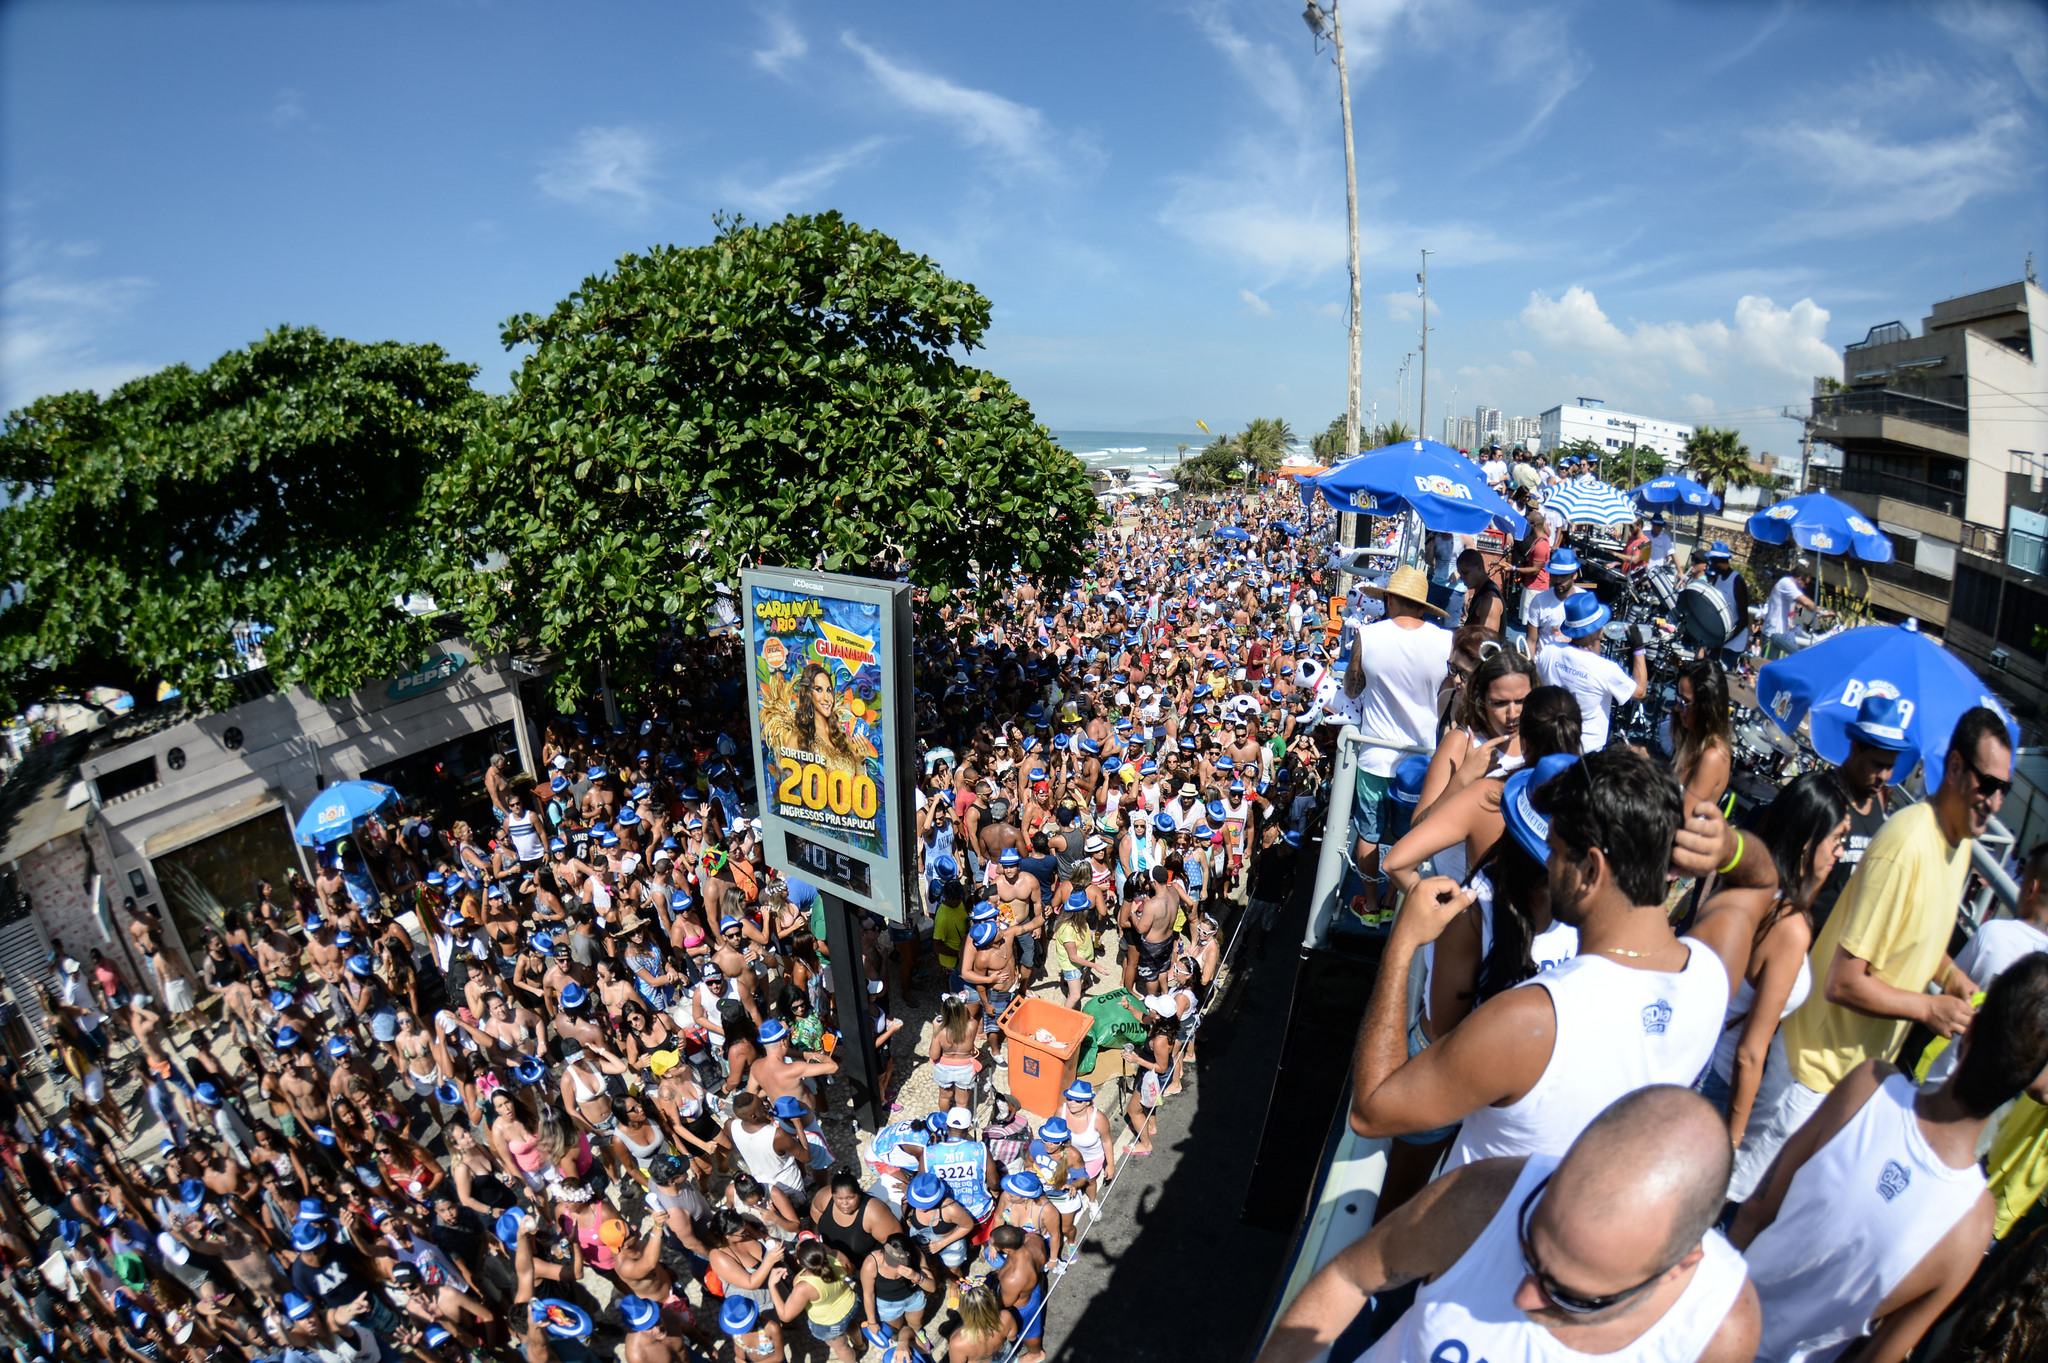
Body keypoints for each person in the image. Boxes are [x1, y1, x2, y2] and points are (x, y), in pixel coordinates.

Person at [1349, 746, 1775, 1170]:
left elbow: (1372, 1112)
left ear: (1590, 869)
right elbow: (1760, 883)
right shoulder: (1709, 976)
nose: (1547, 867)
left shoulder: (1530, 1020)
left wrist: (1402, 944)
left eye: (1553, 851)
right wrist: (1730, 847)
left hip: (1482, 1231)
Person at [1260, 1086, 1760, 1363]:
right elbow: (1351, 1278)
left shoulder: (1717, 1335)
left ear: (1680, 1266)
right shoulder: (1486, 1196)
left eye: (1572, 1294)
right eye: (1528, 1245)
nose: (1523, 1297)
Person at [1738, 706, 2012, 1196]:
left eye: (2004, 791)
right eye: (1987, 785)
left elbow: (1916, 943)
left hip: (1851, 1080)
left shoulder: (1961, 847)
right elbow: (1843, 981)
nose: (1994, 802)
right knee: (1743, 1201)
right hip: (1810, 1072)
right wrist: (1929, 1007)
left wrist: (1950, 978)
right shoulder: (1906, 842)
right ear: (1953, 769)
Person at [1732, 954, 2048, 1363]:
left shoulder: (1870, 1085)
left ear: (1971, 1028)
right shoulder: (1974, 1222)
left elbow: (1756, 1210)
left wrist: (1705, 1301)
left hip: (1718, 1317)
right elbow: (1881, 1355)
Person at [1697, 775, 1848, 1164]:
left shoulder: (1753, 888)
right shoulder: (1790, 927)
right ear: (1806, 843)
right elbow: (1750, 1051)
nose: (1840, 853)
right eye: (1837, 839)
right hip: (1715, 1082)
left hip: (1696, 1056)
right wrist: (1733, 1140)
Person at [1345, 564, 1454, 919]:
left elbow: (1352, 687)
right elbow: (1449, 694)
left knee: (1370, 832)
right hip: (1422, 758)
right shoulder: (1445, 641)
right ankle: (1393, 899)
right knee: (1410, 833)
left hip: (1375, 753)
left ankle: (1372, 902)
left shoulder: (1368, 635)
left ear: (1390, 599)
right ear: (1422, 605)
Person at [1813, 693, 1910, 928]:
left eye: (1890, 767)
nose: (1884, 777)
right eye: (1878, 765)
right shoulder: (1824, 797)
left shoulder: (1877, 797)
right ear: (1856, 748)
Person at [1533, 591, 1646, 753]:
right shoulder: (1606, 669)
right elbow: (1640, 692)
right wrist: (1638, 649)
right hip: (1586, 752)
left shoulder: (1548, 652)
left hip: (1550, 741)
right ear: (1594, 630)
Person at [1668, 657, 1732, 811]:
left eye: (1684, 702)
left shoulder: (1713, 757)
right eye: (1678, 698)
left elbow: (1683, 818)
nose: (1677, 708)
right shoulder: (1691, 737)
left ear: (1706, 709)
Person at [1692, 542, 1752, 670]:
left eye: (1713, 561)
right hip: (1719, 640)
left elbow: (1744, 620)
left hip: (1733, 643)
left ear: (1720, 561)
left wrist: (1725, 640)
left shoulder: (1737, 581)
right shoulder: (1717, 578)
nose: (1710, 564)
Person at [1761, 559, 1832, 658]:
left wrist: (1816, 612)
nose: (1805, 587)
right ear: (1799, 578)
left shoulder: (1789, 587)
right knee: (1799, 656)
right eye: (1805, 583)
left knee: (1779, 662)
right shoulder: (1787, 584)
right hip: (1773, 634)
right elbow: (1806, 602)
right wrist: (1822, 612)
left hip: (1780, 633)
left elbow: (1801, 607)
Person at [1522, 546, 1581, 651]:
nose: (1558, 580)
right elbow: (1531, 640)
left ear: (1574, 575)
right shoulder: (1539, 601)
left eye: (1563, 576)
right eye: (1554, 575)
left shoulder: (1583, 602)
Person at [1455, 548, 1504, 636]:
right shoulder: (1481, 593)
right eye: (1460, 573)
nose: (1461, 578)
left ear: (1479, 568)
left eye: (1465, 573)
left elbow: (1487, 643)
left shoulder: (1489, 600)